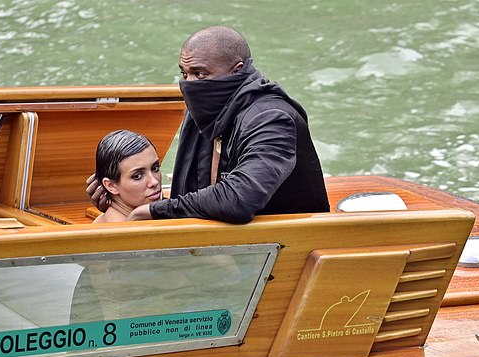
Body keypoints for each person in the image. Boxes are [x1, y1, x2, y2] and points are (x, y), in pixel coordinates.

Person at [88, 26, 329, 223]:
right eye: (184, 74)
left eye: (200, 74)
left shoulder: (272, 119)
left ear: (237, 71)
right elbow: (195, 195)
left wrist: (153, 211)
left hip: (283, 250)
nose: (189, 85)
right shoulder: (206, 109)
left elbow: (240, 199)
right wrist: (122, 202)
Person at [92, 129, 162, 223]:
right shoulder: (124, 233)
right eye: (137, 176)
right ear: (111, 186)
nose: (154, 182)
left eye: (155, 168)